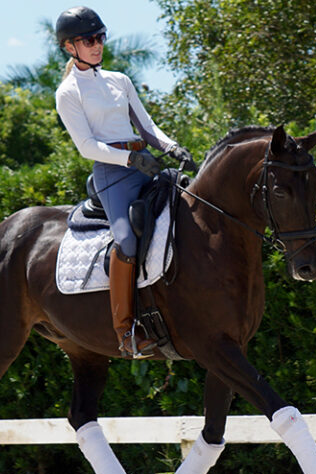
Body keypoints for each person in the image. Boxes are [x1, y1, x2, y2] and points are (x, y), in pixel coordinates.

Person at [55, 6, 196, 359]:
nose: (97, 45)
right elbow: (87, 147)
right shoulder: (68, 93)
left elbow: (147, 127)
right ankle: (126, 329)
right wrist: (131, 159)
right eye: (89, 40)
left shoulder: (120, 80)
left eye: (100, 37)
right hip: (112, 173)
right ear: (70, 47)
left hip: (142, 162)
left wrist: (171, 146)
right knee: (127, 241)